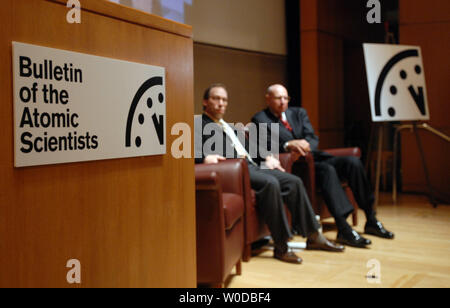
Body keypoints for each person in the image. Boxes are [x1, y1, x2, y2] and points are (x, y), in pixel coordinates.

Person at [195, 84, 344, 264]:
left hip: (253, 165)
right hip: (235, 170)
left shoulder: (230, 127)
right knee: (270, 183)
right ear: (205, 101)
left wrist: (267, 158)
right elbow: (190, 154)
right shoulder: (199, 124)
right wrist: (204, 158)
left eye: (224, 100)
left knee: (293, 181)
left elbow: (250, 149)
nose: (221, 103)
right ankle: (281, 247)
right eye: (216, 98)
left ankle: (313, 235)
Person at [251, 84, 394, 248]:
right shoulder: (260, 119)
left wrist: (305, 145)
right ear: (268, 98)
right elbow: (265, 147)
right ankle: (343, 228)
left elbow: (312, 137)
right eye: (278, 98)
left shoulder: (298, 113)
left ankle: (371, 218)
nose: (283, 102)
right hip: (298, 166)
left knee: (352, 162)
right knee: (327, 170)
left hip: (315, 157)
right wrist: (289, 145)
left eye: (285, 98)